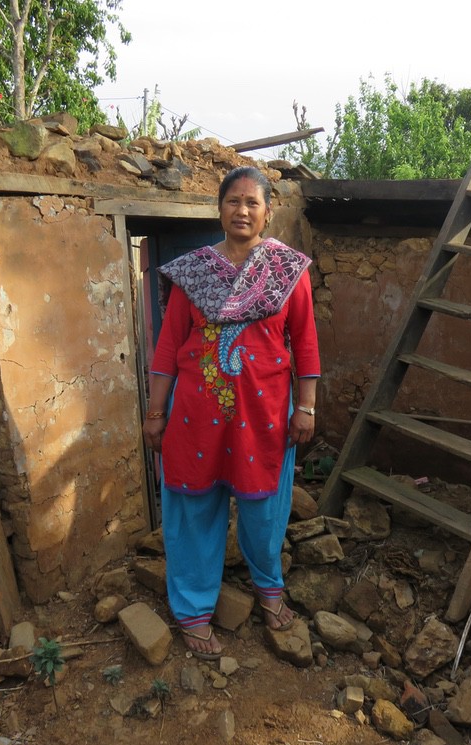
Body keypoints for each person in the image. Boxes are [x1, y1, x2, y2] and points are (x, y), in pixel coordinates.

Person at [142, 165, 320, 660]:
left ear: (267, 212)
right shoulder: (193, 272)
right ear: (219, 208)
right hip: (195, 414)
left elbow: (305, 344)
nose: (242, 210)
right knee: (193, 507)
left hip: (265, 415)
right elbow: (168, 347)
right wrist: (156, 412)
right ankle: (194, 611)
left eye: (252, 203)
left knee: (265, 509)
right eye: (233, 201)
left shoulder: (288, 272)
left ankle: (268, 589)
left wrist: (305, 407)